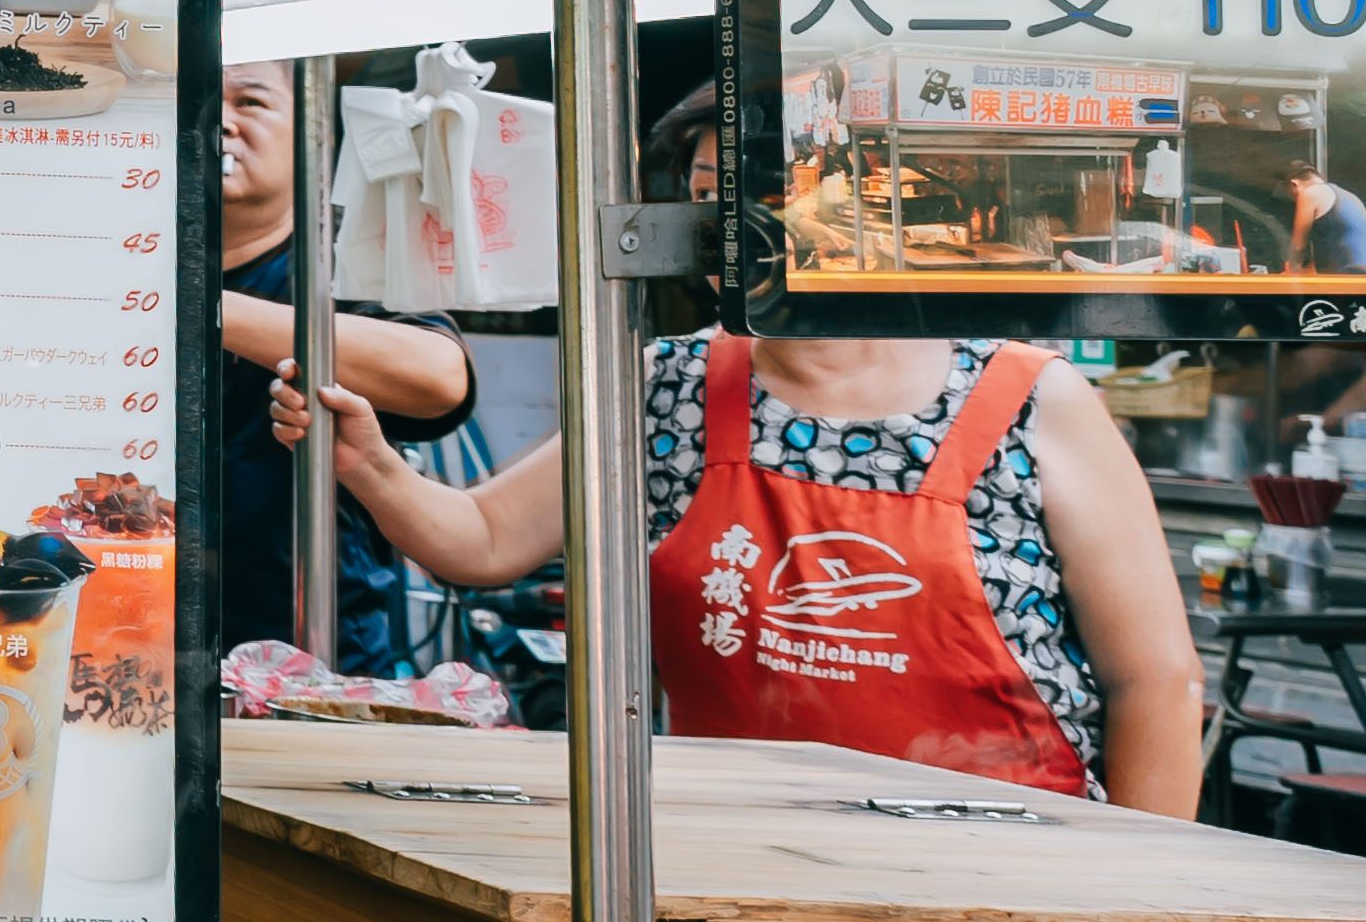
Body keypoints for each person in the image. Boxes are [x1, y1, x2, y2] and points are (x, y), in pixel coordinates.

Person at [290, 325, 1206, 812]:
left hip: (1020, 863)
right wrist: (373, 467)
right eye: (711, 202)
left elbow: (1157, 680)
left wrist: (1142, 893)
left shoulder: (1030, 396)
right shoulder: (670, 382)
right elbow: (485, 538)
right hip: (737, 857)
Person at [205, 61, 477, 665]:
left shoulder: (345, 266)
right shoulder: (115, 266)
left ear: (312, 139)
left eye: (250, 102)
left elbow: (440, 377)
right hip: (134, 643)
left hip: (320, 653)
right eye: (198, 98)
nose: (218, 121)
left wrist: (202, 306)